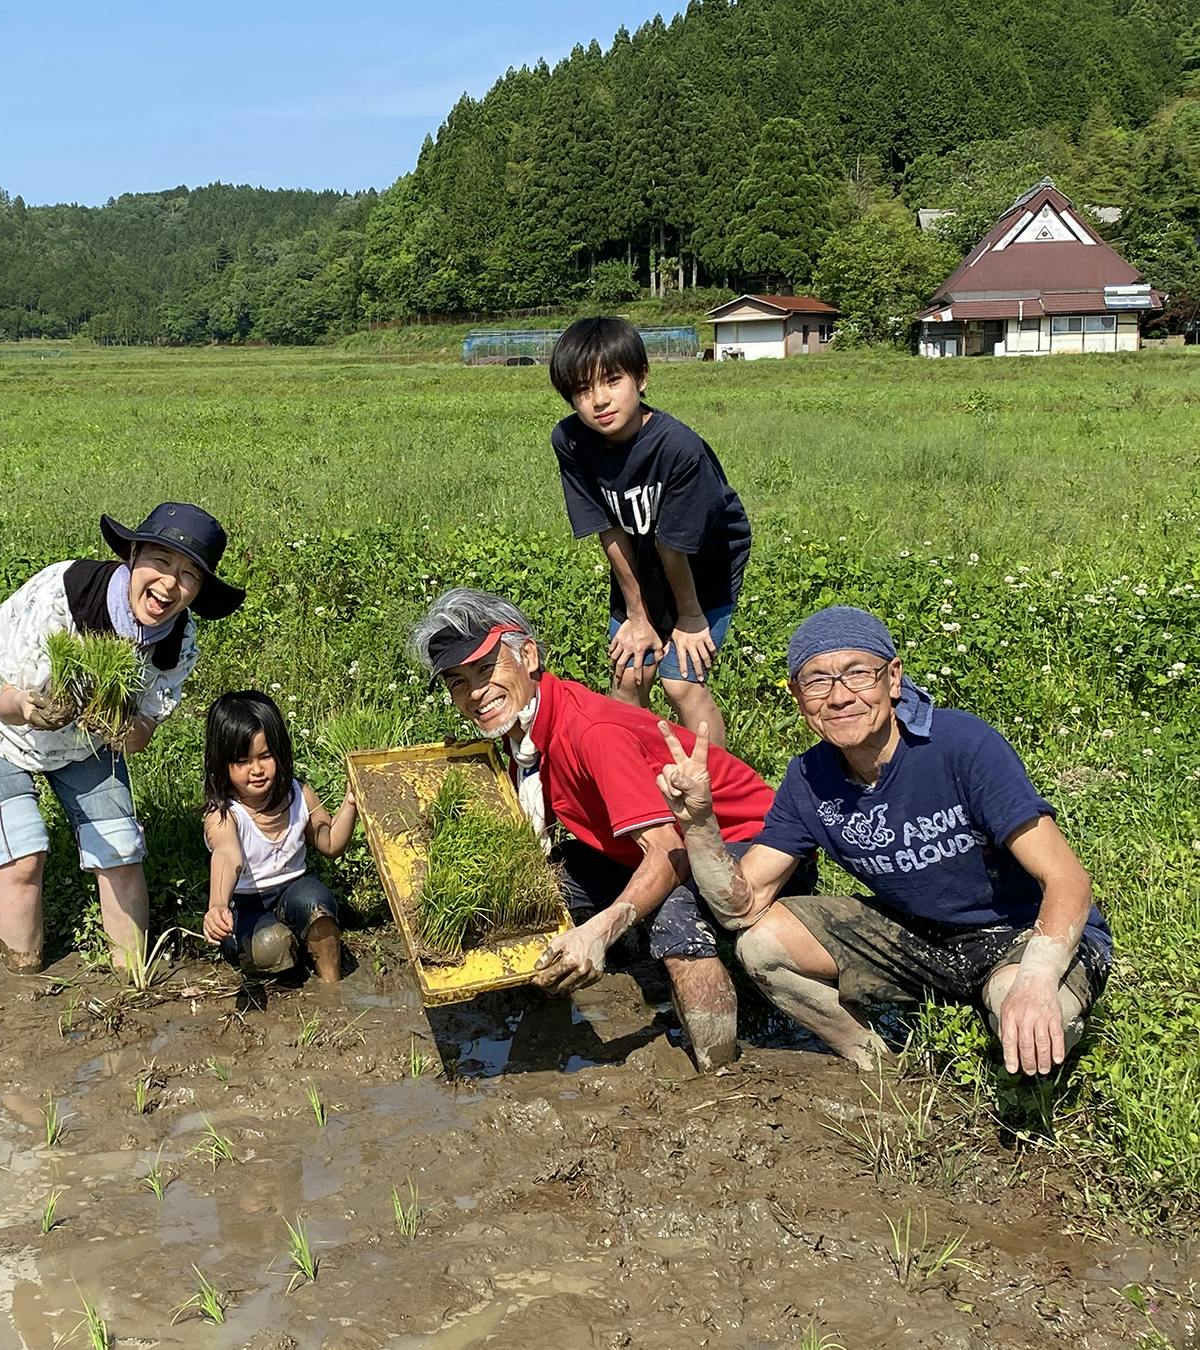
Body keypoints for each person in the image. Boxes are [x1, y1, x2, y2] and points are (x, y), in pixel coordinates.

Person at [654, 606, 1111, 1076]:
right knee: (761, 944)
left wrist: (1035, 979)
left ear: (892, 679)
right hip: (919, 935)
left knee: (1025, 1010)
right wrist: (701, 825)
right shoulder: (810, 779)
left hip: (1019, 932)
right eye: (817, 681)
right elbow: (740, 907)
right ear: (797, 696)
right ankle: (880, 1065)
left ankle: (1018, 1089)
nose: (838, 697)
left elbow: (1067, 878)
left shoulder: (961, 746)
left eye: (857, 674)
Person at [408, 588, 809, 1071]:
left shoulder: (592, 733)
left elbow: (669, 851)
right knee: (548, 881)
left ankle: (719, 1069)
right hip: (653, 846)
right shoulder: (524, 737)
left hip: (752, 845)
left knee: (674, 912)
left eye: (486, 668)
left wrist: (603, 928)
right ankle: (545, 1008)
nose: (474, 692)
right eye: (458, 681)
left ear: (528, 656)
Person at [0, 503, 245, 972]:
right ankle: (24, 979)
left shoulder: (177, 642)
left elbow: (145, 727)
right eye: (160, 562)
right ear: (134, 555)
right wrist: (29, 708)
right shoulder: (66, 594)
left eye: (188, 575)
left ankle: (133, 976)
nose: (168, 584)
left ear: (199, 590)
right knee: (23, 851)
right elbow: (5, 697)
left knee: (120, 850)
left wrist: (124, 730)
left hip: (85, 737)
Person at [547, 317, 751, 748]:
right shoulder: (570, 441)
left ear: (641, 378)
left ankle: (715, 788)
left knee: (682, 683)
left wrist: (690, 618)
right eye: (583, 390)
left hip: (704, 562)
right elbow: (607, 528)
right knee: (629, 673)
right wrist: (638, 616)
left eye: (612, 380)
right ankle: (629, 786)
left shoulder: (678, 448)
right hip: (640, 556)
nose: (599, 400)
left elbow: (673, 546)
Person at [201, 691, 359, 982]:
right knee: (270, 947)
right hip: (245, 905)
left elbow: (331, 843)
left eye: (265, 756)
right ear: (222, 763)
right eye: (242, 761)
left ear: (281, 751)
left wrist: (351, 802)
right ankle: (283, 952)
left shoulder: (300, 795)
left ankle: (332, 987)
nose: (257, 770)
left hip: (294, 891)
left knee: (318, 906)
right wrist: (218, 905)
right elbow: (227, 854)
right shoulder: (224, 813)